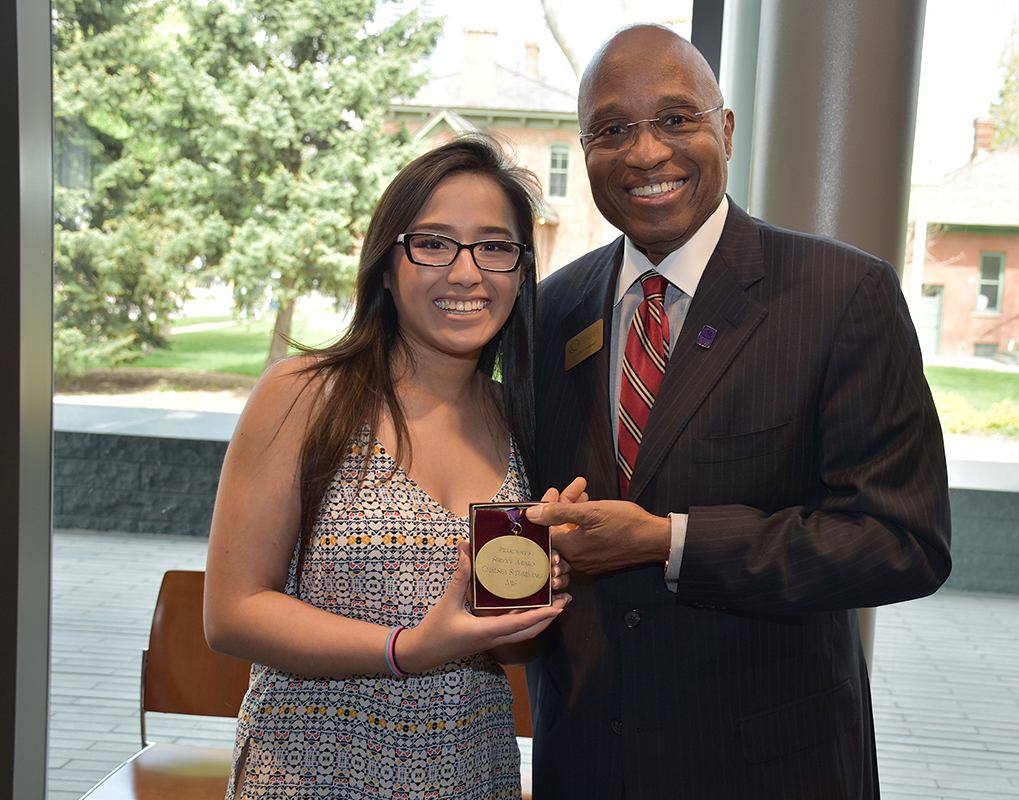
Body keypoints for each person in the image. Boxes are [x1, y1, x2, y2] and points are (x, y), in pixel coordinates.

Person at [523, 24, 952, 799]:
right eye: (613, 129)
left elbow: (902, 542)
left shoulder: (841, 295)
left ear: (724, 129)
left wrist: (666, 541)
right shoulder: (547, 315)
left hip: (769, 768)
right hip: (586, 762)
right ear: (584, 151)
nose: (646, 153)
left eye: (676, 119)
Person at [203, 134, 578, 800]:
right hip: (313, 772)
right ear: (386, 264)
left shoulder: (519, 420)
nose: (466, 273)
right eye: (433, 243)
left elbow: (508, 648)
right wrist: (408, 646)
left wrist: (536, 594)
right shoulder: (303, 394)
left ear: (521, 273)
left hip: (470, 773)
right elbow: (232, 612)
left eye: (494, 247)